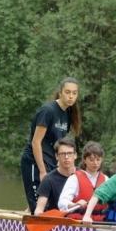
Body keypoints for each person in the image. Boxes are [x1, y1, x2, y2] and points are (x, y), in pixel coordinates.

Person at [20, 77, 81, 212]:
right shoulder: (48, 111)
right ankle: (29, 219)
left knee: (53, 202)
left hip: (52, 162)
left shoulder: (68, 113)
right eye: (67, 92)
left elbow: (60, 145)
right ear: (60, 92)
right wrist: (42, 171)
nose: (71, 96)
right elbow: (36, 142)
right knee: (38, 204)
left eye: (74, 93)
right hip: (34, 162)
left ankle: (29, 212)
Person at [59, 141, 108, 221]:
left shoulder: (106, 179)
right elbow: (62, 202)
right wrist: (75, 204)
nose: (95, 163)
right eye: (91, 160)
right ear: (84, 160)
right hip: (79, 223)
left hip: (101, 222)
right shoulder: (74, 178)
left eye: (98, 160)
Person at [33, 138, 78, 216]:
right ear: (57, 156)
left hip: (80, 221)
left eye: (70, 153)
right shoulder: (48, 179)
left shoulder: (83, 175)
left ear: (75, 155)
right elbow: (39, 209)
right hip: (56, 222)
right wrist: (39, 214)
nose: (66, 157)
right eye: (63, 154)